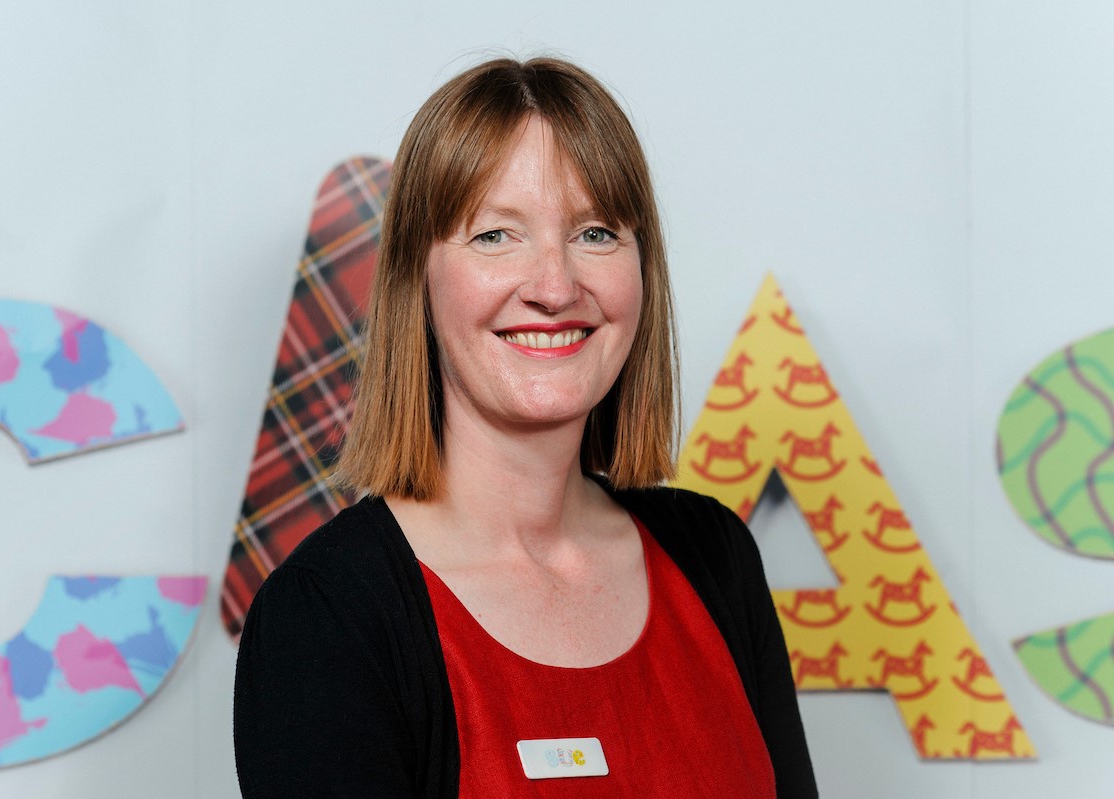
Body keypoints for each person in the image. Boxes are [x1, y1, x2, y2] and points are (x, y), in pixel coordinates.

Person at [234, 56, 817, 798]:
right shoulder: (327, 617)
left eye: (597, 233)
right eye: (495, 236)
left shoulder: (717, 558)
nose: (555, 286)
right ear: (417, 276)